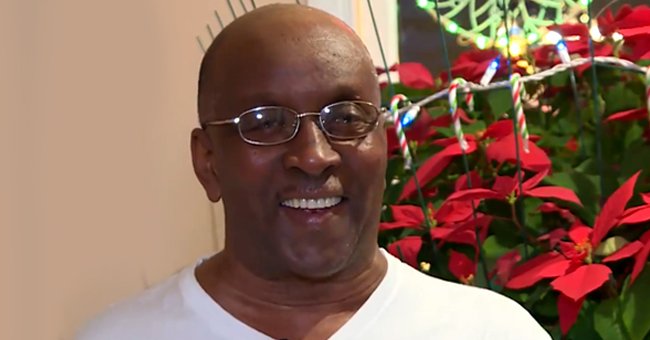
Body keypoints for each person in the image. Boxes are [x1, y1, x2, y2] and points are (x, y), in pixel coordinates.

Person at [77, 4, 550, 340]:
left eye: (345, 118)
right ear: (208, 161)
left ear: (383, 142)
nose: (314, 155)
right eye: (265, 122)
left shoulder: (488, 331)